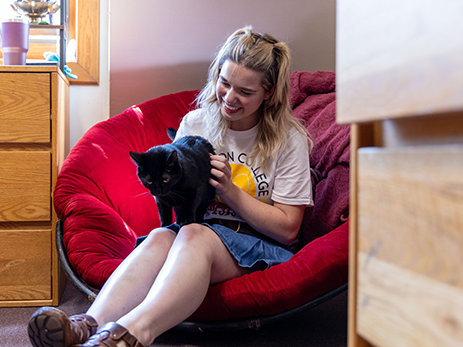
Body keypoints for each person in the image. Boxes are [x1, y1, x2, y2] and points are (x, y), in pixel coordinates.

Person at [27, 26, 313, 347]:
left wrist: (230, 193)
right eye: (224, 83)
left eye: (245, 92)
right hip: (196, 238)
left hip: (257, 246)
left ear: (269, 93)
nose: (230, 98)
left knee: (192, 232)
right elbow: (175, 196)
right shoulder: (195, 124)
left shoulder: (288, 140)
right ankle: (87, 325)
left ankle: (131, 334)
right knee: (162, 234)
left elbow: (289, 230)